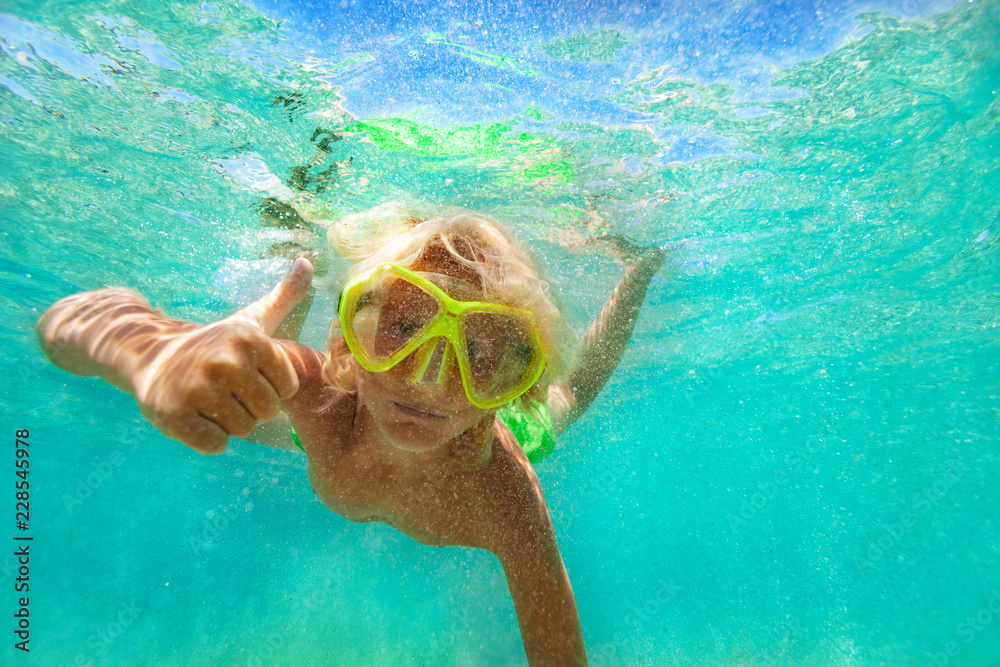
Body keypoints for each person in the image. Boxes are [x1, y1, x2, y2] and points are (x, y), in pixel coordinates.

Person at [37, 203, 664, 666]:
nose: (429, 380)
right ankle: (290, 227)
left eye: (482, 351)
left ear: (514, 382)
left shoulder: (506, 495)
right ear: (347, 341)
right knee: (245, 392)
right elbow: (61, 322)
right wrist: (150, 353)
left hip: (500, 436)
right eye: (403, 327)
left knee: (573, 394)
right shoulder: (323, 394)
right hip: (333, 423)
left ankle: (635, 271)